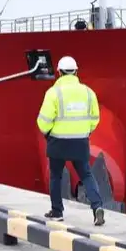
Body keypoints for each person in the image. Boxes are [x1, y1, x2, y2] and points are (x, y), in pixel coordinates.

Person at [36, 55, 105, 226]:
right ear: (76, 72)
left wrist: (49, 134)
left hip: (58, 142)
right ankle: (97, 207)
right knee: (86, 174)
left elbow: (43, 121)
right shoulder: (88, 92)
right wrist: (85, 132)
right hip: (80, 141)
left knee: (56, 176)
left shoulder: (53, 93)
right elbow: (95, 118)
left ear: (59, 72)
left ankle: (57, 211)